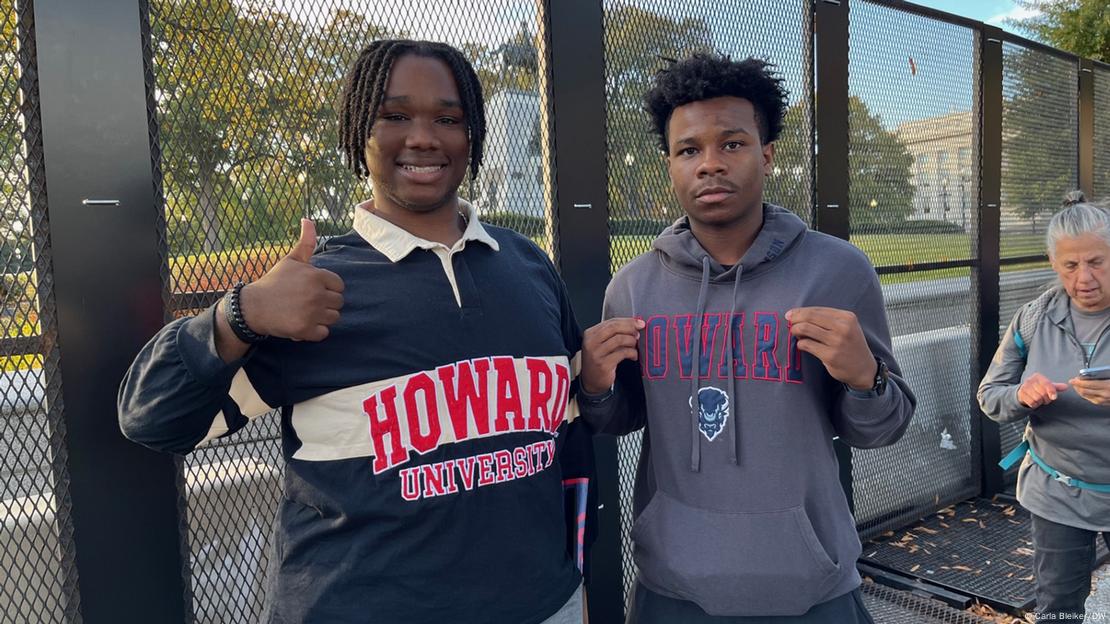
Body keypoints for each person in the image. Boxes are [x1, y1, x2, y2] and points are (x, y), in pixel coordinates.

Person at [118, 39, 593, 624]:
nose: (423, 137)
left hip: (541, 605)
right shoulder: (313, 288)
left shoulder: (528, 267)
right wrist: (240, 315)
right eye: (395, 116)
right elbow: (153, 419)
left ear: (472, 136)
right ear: (356, 131)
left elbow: (573, 426)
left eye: (448, 118)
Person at [577, 53, 916, 623]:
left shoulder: (838, 271)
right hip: (675, 588)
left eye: (731, 144)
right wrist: (594, 388)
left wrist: (867, 379)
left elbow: (882, 427)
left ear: (767, 154)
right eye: (689, 150)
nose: (710, 164)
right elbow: (622, 417)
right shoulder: (632, 287)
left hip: (812, 586)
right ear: (671, 166)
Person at [979, 191, 1110, 622]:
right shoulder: (1034, 318)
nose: (1084, 279)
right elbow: (990, 394)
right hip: (1059, 490)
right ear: (1054, 264)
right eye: (1070, 266)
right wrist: (1020, 394)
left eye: (1097, 262)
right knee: (1058, 609)